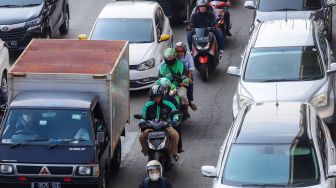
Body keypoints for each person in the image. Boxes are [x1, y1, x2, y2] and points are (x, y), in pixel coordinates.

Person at [139, 85, 180, 161]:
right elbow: (143, 117)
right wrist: (142, 122)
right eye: (154, 96)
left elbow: (175, 113)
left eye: (158, 96)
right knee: (141, 137)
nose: (156, 98)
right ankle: (147, 152)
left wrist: (175, 120)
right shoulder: (147, 105)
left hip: (165, 125)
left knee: (175, 135)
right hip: (151, 126)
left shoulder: (168, 104)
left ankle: (173, 153)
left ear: (161, 96)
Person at [158, 48, 191, 118]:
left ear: (174, 57)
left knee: (182, 96)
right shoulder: (162, 67)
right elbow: (158, 79)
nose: (169, 59)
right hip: (166, 87)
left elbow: (185, 76)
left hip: (179, 86)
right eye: (167, 58)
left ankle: (186, 111)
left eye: (171, 57)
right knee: (156, 96)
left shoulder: (180, 65)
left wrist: (184, 82)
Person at [175, 42, 197, 111]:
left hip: (186, 74)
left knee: (189, 85)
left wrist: (188, 78)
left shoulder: (188, 54)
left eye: (181, 52)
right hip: (175, 76)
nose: (180, 54)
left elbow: (191, 67)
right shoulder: (173, 56)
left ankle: (189, 101)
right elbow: (162, 65)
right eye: (178, 52)